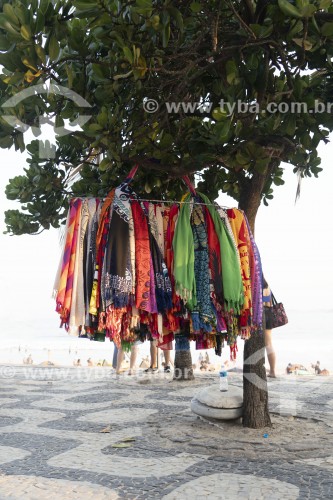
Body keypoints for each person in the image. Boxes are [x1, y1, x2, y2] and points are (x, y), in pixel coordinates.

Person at [263, 278, 276, 378]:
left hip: (263, 314)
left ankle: (271, 371)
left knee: (266, 344)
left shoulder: (259, 286)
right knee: (269, 344)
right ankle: (272, 370)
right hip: (269, 313)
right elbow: (269, 302)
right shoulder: (267, 287)